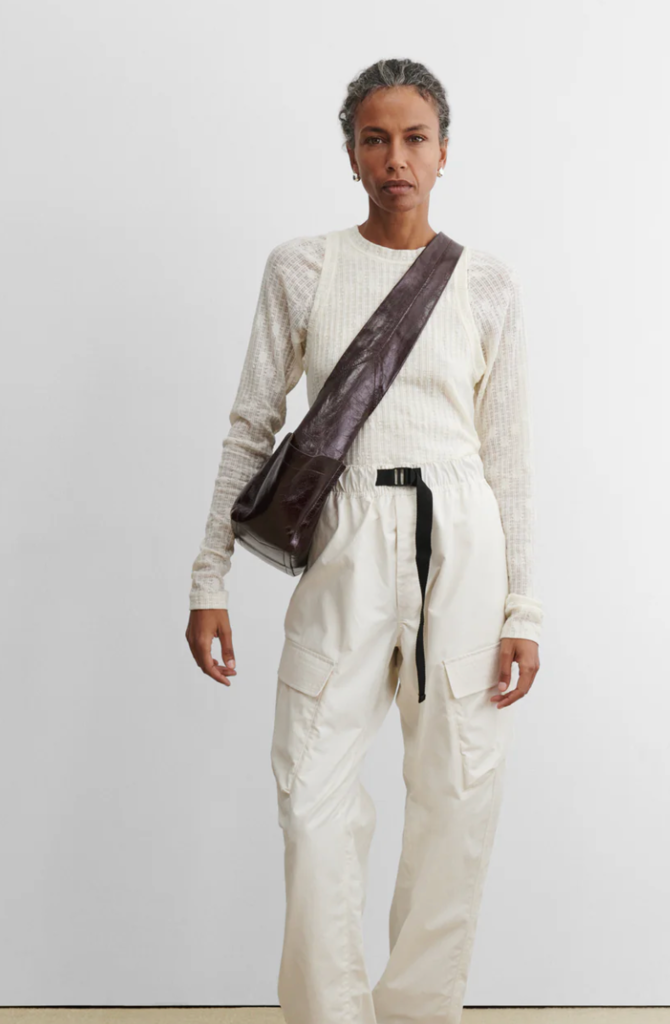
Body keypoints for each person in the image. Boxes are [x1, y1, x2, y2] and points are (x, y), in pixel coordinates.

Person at [185, 57, 543, 1024]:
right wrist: (208, 579)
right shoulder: (301, 268)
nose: (396, 159)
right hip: (343, 547)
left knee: (456, 802)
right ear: (350, 154)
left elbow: (509, 458)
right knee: (311, 797)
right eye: (375, 139)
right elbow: (251, 426)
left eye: (414, 138)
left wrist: (524, 607)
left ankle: (421, 1013)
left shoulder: (488, 284)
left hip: (460, 545)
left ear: (443, 151)